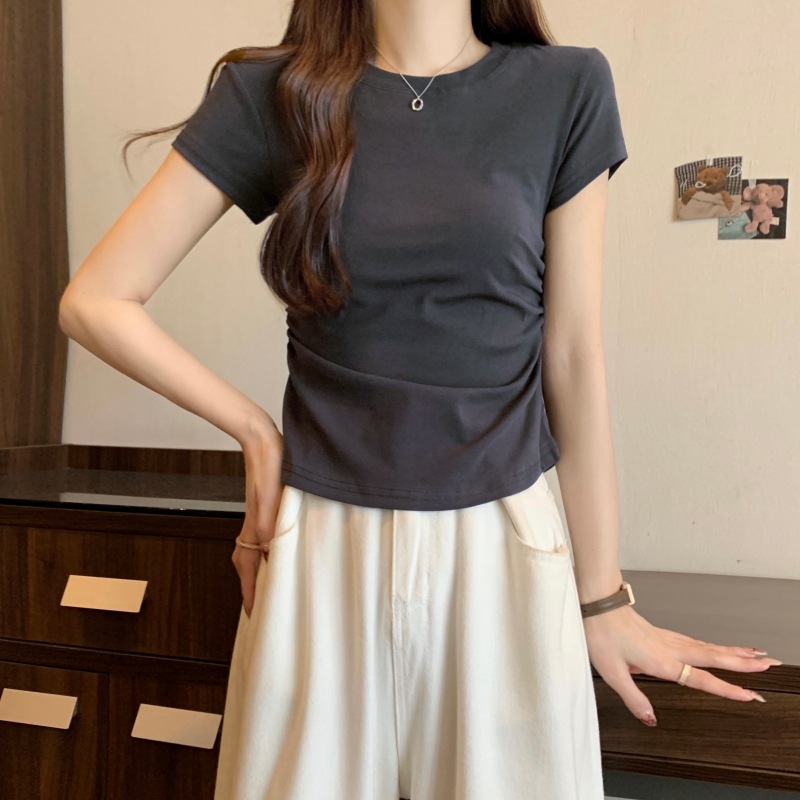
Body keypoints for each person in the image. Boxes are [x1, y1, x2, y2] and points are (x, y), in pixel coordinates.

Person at [59, 1, 782, 798]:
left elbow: (573, 353)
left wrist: (602, 598)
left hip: (501, 540)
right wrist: (256, 435)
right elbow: (96, 300)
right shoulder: (272, 93)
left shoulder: (565, 87)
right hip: (319, 541)